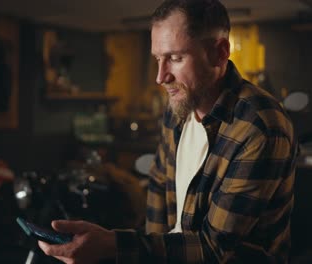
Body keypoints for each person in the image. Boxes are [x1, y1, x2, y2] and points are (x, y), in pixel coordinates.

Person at [38, 0, 297, 263]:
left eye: (175, 58)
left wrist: (113, 245)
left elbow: (215, 250)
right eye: (157, 59)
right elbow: (160, 185)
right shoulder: (179, 107)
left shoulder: (260, 126)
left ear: (219, 53)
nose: (160, 77)